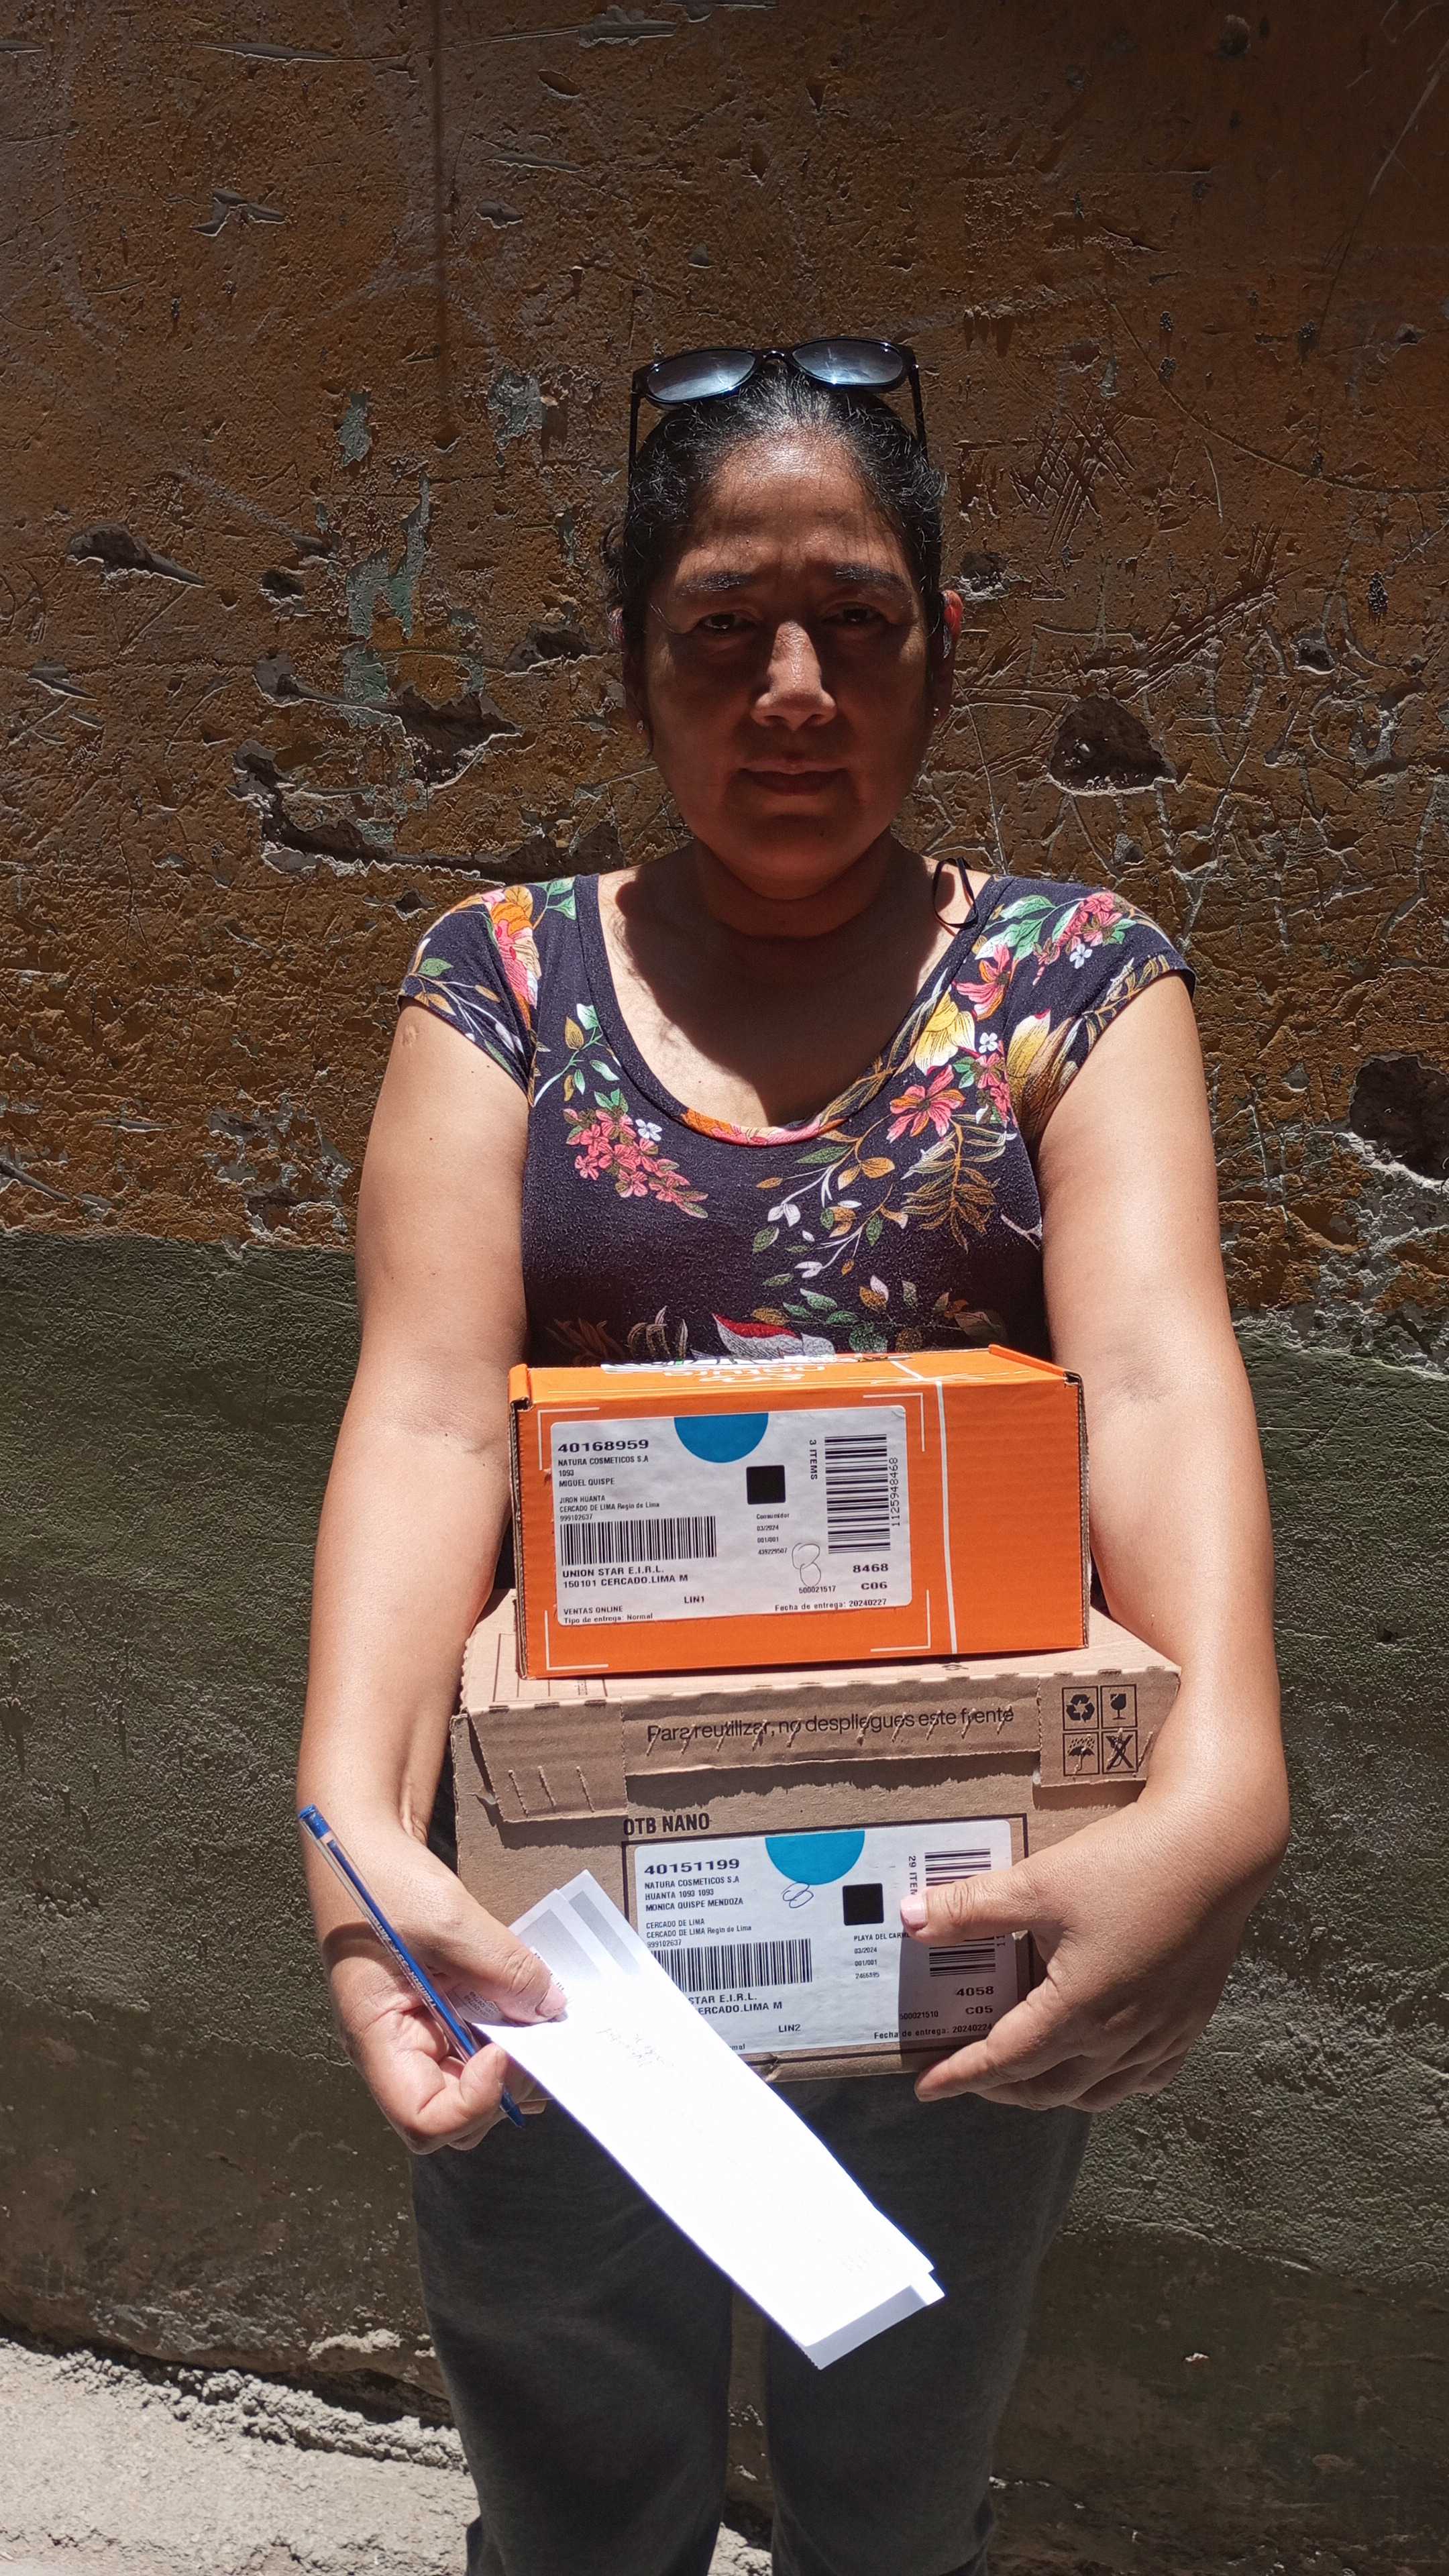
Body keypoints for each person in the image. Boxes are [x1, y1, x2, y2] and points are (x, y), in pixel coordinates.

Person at [297, 341, 1288, 2576]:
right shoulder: (502, 986)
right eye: (723, 631)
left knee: (899, 2475)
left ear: (943, 645)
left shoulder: (1070, 984)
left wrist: (1229, 1785)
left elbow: (1154, 1377)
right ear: (632, 664)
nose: (794, 692)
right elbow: (429, 1405)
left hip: (968, 1907)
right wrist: (353, 1831)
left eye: (855, 620)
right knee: (573, 2471)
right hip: (565, 1923)